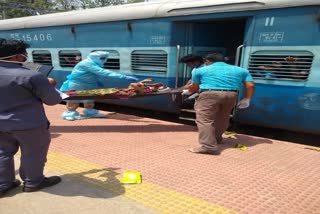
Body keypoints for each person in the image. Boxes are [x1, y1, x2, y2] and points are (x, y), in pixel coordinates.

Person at [0, 39, 62, 197]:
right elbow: (52, 100)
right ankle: (33, 182)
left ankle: (4, 184)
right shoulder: (32, 76)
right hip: (29, 124)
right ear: (16, 56)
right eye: (24, 54)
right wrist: (49, 85)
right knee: (33, 153)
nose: (25, 57)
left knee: (2, 152)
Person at [188, 52, 255, 155]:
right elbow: (250, 85)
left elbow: (195, 87)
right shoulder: (241, 70)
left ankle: (208, 147)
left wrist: (190, 91)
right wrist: (247, 99)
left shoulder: (200, 70)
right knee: (223, 118)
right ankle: (217, 139)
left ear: (207, 61)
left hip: (209, 94)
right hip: (231, 95)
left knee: (204, 120)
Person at [60, 51, 139, 121]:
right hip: (77, 84)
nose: (104, 60)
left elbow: (93, 74)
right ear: (95, 57)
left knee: (90, 98)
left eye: (104, 58)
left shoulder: (94, 63)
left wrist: (98, 81)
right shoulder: (86, 63)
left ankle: (90, 112)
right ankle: (70, 114)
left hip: (90, 84)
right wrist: (124, 77)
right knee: (74, 99)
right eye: (101, 58)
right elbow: (103, 72)